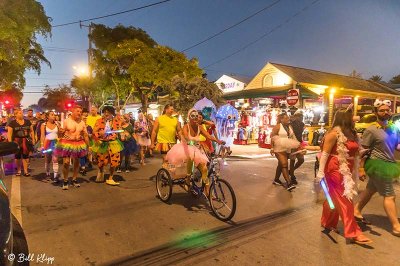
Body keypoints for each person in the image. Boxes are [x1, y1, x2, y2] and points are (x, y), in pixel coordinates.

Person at [316, 109, 372, 244]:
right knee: (345, 200)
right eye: (351, 116)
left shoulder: (352, 133)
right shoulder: (334, 134)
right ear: (344, 118)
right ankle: (354, 232)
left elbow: (355, 150)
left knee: (335, 199)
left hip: (349, 168)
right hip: (335, 169)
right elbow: (325, 154)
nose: (354, 118)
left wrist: (361, 159)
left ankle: (327, 222)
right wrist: (321, 172)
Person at [354, 99, 400, 237]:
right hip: (377, 165)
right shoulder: (371, 130)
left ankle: (356, 210)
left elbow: (396, 145)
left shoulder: (392, 127)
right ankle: (396, 226)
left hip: (389, 163)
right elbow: (363, 151)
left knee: (370, 190)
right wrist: (361, 168)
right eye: (382, 110)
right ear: (376, 112)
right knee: (390, 195)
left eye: (387, 110)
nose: (385, 112)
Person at [165, 109, 224, 197]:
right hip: (185, 149)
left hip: (196, 149)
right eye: (193, 116)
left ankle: (208, 193)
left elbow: (208, 136)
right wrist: (189, 141)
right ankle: (188, 179)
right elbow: (185, 135)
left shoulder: (199, 127)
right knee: (191, 157)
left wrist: (218, 141)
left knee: (204, 169)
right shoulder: (186, 126)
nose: (195, 118)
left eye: (197, 116)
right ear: (189, 117)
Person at [55, 105, 89, 190]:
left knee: (76, 162)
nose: (79, 113)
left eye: (80, 112)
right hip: (67, 143)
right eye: (78, 111)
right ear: (73, 111)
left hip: (78, 143)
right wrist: (60, 132)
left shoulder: (82, 122)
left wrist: (89, 147)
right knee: (66, 162)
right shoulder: (66, 121)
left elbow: (85, 135)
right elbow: (60, 134)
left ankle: (74, 179)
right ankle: (65, 180)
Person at [93, 106, 124, 185]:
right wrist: (99, 135)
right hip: (102, 142)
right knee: (101, 160)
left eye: (108, 112)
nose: (106, 114)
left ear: (112, 113)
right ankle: (101, 171)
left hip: (113, 143)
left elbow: (121, 129)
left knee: (114, 161)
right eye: (105, 112)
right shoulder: (99, 121)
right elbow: (94, 132)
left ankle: (110, 177)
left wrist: (123, 134)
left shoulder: (117, 121)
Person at [271, 113, 300, 191]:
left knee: (281, 164)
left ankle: (276, 179)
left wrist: (297, 145)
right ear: (281, 119)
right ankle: (289, 183)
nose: (288, 119)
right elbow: (272, 137)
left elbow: (293, 136)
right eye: (286, 118)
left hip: (287, 148)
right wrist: (272, 148)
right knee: (284, 164)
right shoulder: (277, 127)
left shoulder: (289, 127)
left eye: (288, 118)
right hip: (278, 148)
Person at [7, 108, 35, 176]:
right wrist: (11, 143)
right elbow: (9, 134)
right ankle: (19, 170)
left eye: (22, 112)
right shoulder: (12, 123)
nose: (21, 114)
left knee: (26, 156)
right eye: (20, 113)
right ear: (15, 115)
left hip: (26, 141)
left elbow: (32, 131)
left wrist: (33, 139)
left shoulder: (27, 122)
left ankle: (26, 171)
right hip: (16, 141)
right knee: (18, 156)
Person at [40, 111, 60, 182]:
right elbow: (42, 135)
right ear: (48, 116)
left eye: (54, 115)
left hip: (55, 143)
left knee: (55, 159)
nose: (54, 116)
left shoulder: (57, 124)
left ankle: (55, 176)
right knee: (47, 159)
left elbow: (60, 133)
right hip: (47, 143)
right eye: (52, 115)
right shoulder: (43, 125)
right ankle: (47, 174)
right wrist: (42, 145)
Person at [289, 111, 305, 185]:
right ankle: (292, 176)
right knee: (292, 160)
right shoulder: (291, 124)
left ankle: (291, 171)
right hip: (292, 143)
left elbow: (300, 134)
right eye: (300, 117)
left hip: (299, 143)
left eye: (302, 117)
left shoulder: (302, 124)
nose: (301, 119)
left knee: (301, 160)